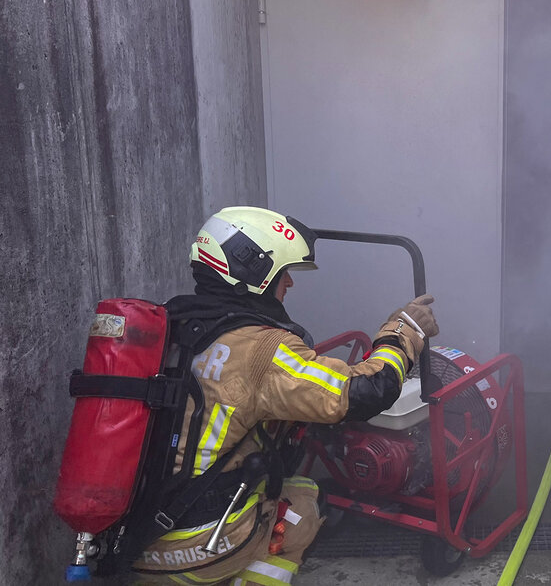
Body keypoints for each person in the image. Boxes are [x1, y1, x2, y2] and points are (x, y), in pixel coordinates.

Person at [130, 206, 438, 585]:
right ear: (254, 273)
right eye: (283, 273)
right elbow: (365, 391)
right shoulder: (261, 348)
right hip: (196, 545)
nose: (289, 284)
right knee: (304, 505)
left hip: (137, 533)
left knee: (288, 483)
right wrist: (403, 331)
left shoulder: (172, 324)